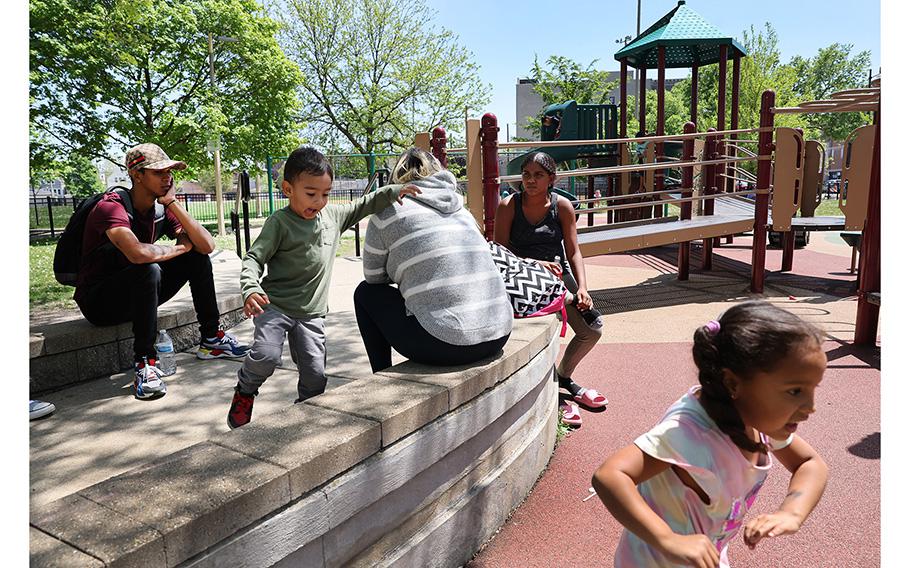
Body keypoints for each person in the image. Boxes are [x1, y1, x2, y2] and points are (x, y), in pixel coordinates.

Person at [592, 300, 829, 567]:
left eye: (813, 389)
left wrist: (791, 513)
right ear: (733, 383)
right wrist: (668, 539)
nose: (811, 407)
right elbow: (610, 475)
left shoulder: (757, 419)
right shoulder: (691, 432)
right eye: (795, 391)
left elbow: (810, 464)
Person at [229, 146, 421, 429]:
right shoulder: (279, 223)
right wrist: (250, 287)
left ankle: (304, 413)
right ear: (287, 189)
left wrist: (393, 191)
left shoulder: (332, 217)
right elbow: (254, 258)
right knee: (266, 356)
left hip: (312, 314)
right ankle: (245, 391)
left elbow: (364, 204)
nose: (318, 201)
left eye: (325, 194)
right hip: (276, 306)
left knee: (315, 375)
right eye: (310, 194)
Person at [75, 143, 249, 401]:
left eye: (170, 172)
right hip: (100, 302)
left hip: (138, 294)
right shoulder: (111, 207)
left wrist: (173, 203)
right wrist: (178, 249)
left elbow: (206, 245)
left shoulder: (160, 209)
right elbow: (137, 254)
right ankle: (145, 363)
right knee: (149, 268)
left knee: (197, 259)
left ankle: (211, 339)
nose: (167, 178)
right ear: (137, 175)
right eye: (159, 172)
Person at [354, 148, 513, 373]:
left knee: (365, 293)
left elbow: (373, 277)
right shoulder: (462, 209)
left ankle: (381, 373)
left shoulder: (388, 212)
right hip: (499, 333)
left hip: (447, 343)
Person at [493, 151, 606, 427]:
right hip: (523, 278)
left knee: (592, 330)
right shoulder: (509, 205)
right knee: (544, 332)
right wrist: (535, 263)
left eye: (538, 175)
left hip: (559, 276)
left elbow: (574, 251)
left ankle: (563, 376)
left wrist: (583, 288)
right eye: (526, 175)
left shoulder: (563, 206)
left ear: (551, 178)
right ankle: (553, 389)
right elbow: (498, 252)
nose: (530, 180)